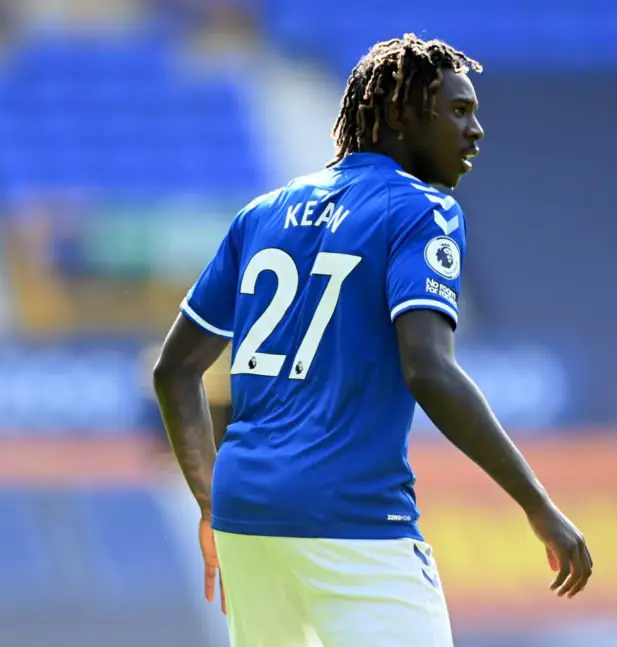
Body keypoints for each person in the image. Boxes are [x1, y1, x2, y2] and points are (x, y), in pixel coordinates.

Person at [152, 33, 592, 647]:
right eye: (458, 111)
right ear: (400, 116)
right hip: (352, 519)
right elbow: (428, 370)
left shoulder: (263, 214)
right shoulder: (421, 211)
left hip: (245, 515)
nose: (476, 130)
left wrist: (209, 503)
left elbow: (174, 371)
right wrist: (537, 503)